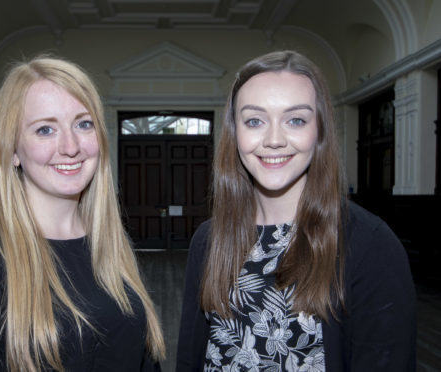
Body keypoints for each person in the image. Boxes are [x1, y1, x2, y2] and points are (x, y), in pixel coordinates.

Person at [0, 56, 165, 371]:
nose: (71, 146)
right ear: (13, 151)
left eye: (83, 123)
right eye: (45, 129)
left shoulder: (112, 244)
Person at [176, 50, 416, 371]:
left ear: (319, 133)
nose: (274, 139)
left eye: (296, 120)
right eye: (255, 120)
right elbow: (191, 357)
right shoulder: (208, 239)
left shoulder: (369, 244)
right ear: (236, 133)